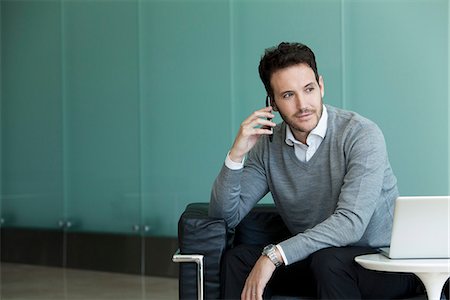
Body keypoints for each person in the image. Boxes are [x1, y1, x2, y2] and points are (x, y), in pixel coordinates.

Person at [209, 42, 420, 299]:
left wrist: (274, 255)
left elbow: (350, 224)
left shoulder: (360, 134)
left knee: (328, 262)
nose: (302, 104)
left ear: (321, 86)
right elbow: (224, 216)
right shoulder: (267, 146)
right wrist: (236, 154)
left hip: (382, 264)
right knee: (238, 260)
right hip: (318, 259)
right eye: (288, 95)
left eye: (308, 89)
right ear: (272, 102)